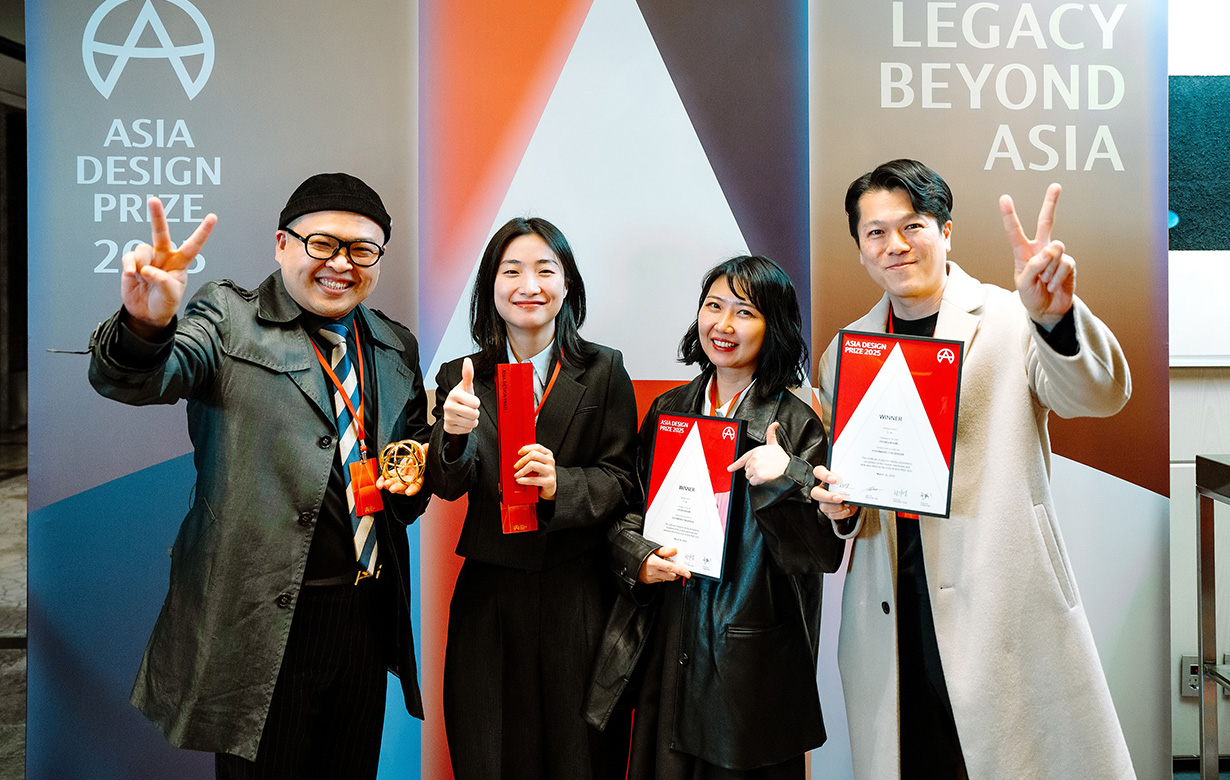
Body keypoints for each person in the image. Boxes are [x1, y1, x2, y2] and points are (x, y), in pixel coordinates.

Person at [88, 173, 432, 778]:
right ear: (281, 244)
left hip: (364, 616)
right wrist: (146, 327)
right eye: (322, 244)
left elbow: (404, 471)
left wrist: (425, 466)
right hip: (261, 621)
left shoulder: (392, 344)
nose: (341, 264)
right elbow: (142, 378)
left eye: (361, 249)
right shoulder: (227, 318)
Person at [811, 159, 1134, 779]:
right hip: (892, 604)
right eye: (875, 232)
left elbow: (1097, 394)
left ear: (946, 231)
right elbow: (851, 489)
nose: (895, 244)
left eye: (912, 225)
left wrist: (1055, 318)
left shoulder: (1011, 318)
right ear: (860, 249)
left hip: (999, 596)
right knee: (915, 759)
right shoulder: (846, 351)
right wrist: (841, 510)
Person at [586, 255, 844, 779]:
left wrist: (785, 476)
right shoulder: (669, 409)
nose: (723, 325)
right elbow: (626, 510)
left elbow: (821, 551)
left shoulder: (797, 424)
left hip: (749, 663)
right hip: (669, 644)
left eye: (744, 312)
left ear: (774, 327)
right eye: (713, 306)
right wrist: (641, 557)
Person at [425, 216, 640, 780]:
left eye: (546, 270)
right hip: (490, 596)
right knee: (489, 751)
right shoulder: (461, 377)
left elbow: (622, 480)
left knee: (580, 758)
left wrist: (560, 485)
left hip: (580, 593)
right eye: (511, 271)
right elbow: (446, 485)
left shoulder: (603, 369)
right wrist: (452, 435)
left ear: (567, 284)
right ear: (490, 287)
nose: (529, 285)